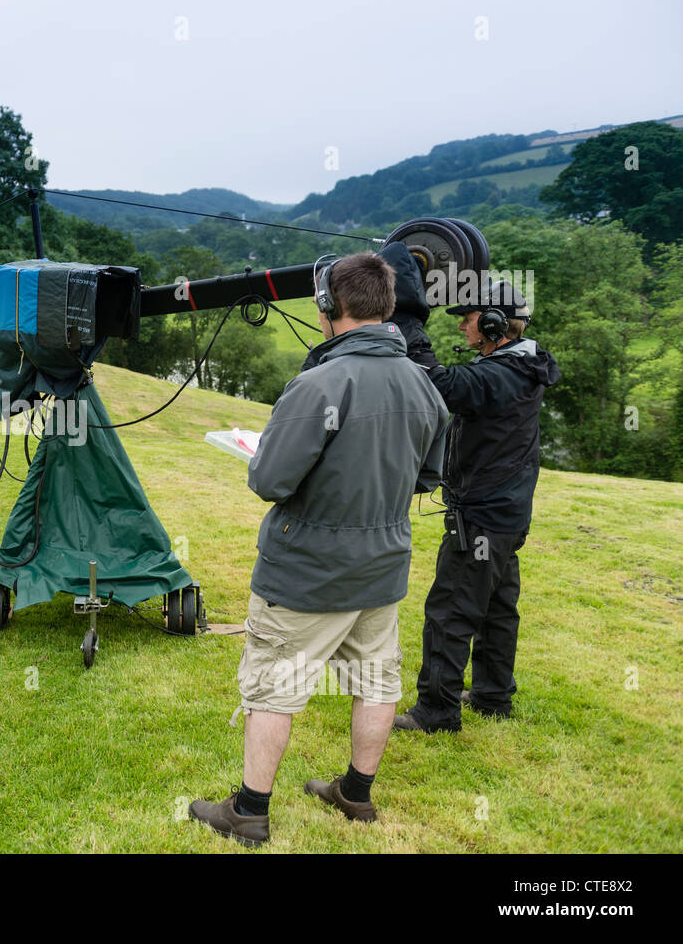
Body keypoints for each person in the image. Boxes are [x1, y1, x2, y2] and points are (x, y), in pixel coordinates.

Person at [187, 252, 448, 847]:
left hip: (306, 571)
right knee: (375, 680)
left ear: (331, 305)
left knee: (274, 685)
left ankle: (249, 811)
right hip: (383, 567)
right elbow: (429, 475)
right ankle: (355, 793)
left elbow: (270, 480)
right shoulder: (423, 384)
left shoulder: (318, 383)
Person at [392, 279, 561, 733]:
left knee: (451, 609)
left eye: (468, 318)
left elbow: (438, 383)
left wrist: (408, 323)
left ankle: (436, 711)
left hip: (484, 517)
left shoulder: (502, 374)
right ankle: (492, 695)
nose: (462, 326)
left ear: (493, 324)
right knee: (498, 608)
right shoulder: (518, 365)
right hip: (506, 515)